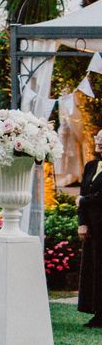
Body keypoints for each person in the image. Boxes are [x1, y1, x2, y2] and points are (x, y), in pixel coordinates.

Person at [79, 131, 102, 327]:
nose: (99, 141)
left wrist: (84, 199)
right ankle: (97, 311)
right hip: (92, 227)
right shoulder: (90, 166)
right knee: (93, 268)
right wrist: (82, 223)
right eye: (98, 137)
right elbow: (82, 195)